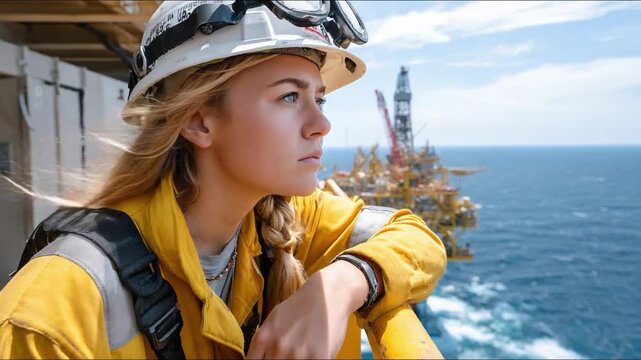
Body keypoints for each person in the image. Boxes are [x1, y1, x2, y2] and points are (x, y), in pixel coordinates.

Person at [0, 1, 447, 358]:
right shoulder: (55, 307)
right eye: (289, 96)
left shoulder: (277, 219)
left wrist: (344, 282)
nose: (320, 125)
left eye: (320, 100)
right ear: (199, 122)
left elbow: (416, 237)